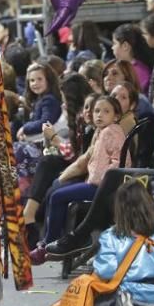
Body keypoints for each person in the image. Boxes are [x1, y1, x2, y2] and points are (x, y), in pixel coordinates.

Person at [30, 95, 126, 264]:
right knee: (57, 192)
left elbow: (119, 161)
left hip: (103, 186)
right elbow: (86, 158)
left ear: (116, 116)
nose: (99, 115)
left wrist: (105, 179)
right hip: (94, 182)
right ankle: (54, 241)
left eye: (106, 111)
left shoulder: (113, 132)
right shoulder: (100, 132)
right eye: (97, 111)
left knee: (57, 196)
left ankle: (49, 242)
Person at [90, 179, 154, 306]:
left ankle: (122, 305)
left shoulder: (110, 235)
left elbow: (106, 271)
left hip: (127, 289)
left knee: (95, 305)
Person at [23, 74, 93, 238]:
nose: (63, 104)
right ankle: (28, 216)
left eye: (64, 99)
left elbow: (78, 156)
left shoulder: (85, 116)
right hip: (78, 163)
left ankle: (31, 221)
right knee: (48, 164)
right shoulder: (78, 116)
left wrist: (54, 138)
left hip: (87, 169)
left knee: (49, 169)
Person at [111, 23, 154, 93]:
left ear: (125, 46)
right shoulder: (123, 67)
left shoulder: (140, 70)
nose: (112, 47)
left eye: (114, 43)